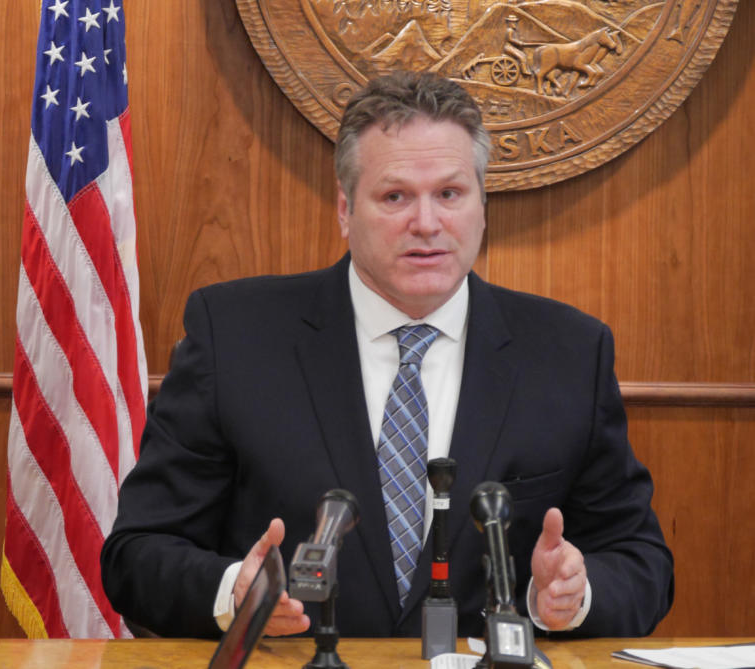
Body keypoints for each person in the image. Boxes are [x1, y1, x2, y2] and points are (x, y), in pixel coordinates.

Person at [101, 71, 673, 639]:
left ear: (482, 205)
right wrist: (237, 592)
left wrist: (572, 595)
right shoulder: (234, 336)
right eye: (395, 196)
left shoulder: (569, 351)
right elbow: (135, 555)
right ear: (346, 210)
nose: (426, 224)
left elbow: (640, 560)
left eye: (449, 194)